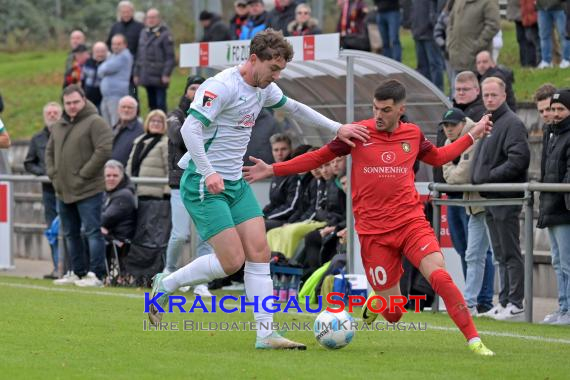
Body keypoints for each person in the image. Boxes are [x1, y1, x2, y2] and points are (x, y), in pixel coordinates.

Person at [148, 29, 369, 350]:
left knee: (260, 254)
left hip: (234, 184)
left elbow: (296, 108)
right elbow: (189, 129)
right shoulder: (221, 87)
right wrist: (209, 171)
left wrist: (339, 128)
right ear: (254, 59)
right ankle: (165, 284)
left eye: (281, 70)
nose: (276, 76)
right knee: (231, 261)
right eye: (273, 69)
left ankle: (266, 335)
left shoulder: (263, 88)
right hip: (203, 183)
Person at [244, 78, 495, 356]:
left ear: (401, 109)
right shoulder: (357, 133)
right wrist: (273, 169)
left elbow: (437, 157)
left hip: (410, 222)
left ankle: (474, 340)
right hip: (374, 234)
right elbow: (318, 157)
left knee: (440, 276)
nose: (378, 115)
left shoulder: (412, 134)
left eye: (385, 110)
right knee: (395, 314)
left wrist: (473, 135)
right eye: (375, 108)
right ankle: (378, 300)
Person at [471, 77, 530, 321]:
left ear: (504, 96)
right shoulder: (489, 122)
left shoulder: (512, 123)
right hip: (491, 197)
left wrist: (487, 177)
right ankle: (504, 300)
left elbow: (518, 160)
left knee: (509, 251)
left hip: (505, 197)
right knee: (499, 253)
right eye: (486, 95)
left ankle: (515, 302)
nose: (489, 99)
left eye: (493, 95)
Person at [47, 84, 113, 287]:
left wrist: (83, 174)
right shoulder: (59, 125)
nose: (72, 106)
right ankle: (76, 272)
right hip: (63, 190)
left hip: (88, 189)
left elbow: (104, 149)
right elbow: (49, 152)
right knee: (69, 233)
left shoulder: (96, 122)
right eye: (68, 103)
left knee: (92, 232)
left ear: (83, 100)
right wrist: (54, 175)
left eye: (75, 102)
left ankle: (97, 275)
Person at [440, 108, 495, 315]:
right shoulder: (448, 142)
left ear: (463, 123)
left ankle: (489, 302)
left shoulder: (476, 134)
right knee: (471, 254)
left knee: (493, 255)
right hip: (471, 204)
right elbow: (449, 174)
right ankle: (470, 303)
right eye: (445, 126)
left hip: (484, 202)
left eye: (452, 125)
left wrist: (452, 169)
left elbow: (461, 176)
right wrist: (453, 170)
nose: (448, 129)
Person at [164, 74, 214, 297]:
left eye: (200, 88)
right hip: (180, 182)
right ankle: (169, 271)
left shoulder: (215, 113)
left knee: (206, 235)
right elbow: (180, 138)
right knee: (180, 234)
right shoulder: (176, 115)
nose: (196, 91)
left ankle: (200, 280)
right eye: (192, 88)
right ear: (186, 91)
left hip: (205, 180)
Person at [536, 87, 570, 325]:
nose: (555, 113)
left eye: (561, 109)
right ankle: (563, 307)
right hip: (552, 206)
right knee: (557, 262)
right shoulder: (551, 133)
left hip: (564, 208)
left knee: (566, 263)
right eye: (553, 109)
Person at [24, 102, 63, 278]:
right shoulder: (37, 138)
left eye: (56, 112)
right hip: (48, 191)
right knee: (53, 230)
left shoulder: (67, 134)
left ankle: (69, 268)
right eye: (49, 113)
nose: (52, 115)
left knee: (69, 228)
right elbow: (29, 163)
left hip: (67, 189)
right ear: (44, 115)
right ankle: (57, 268)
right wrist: (45, 173)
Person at [134, 8, 176, 112]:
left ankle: (163, 126)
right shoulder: (143, 33)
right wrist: (136, 73)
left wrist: (166, 74)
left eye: (153, 17)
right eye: (148, 17)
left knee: (160, 105)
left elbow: (170, 57)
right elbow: (139, 55)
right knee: (151, 105)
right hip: (146, 75)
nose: (150, 20)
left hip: (160, 77)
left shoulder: (165, 34)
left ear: (159, 19)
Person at [446, 0, 500, 74]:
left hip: (476, 61)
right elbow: (451, 22)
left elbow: (493, 25)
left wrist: (477, 45)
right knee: (457, 84)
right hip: (456, 58)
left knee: (475, 85)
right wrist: (450, 42)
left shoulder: (489, 2)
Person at [263, 133, 301, 231]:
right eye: (276, 150)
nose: (279, 153)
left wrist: (268, 217)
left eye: (283, 149)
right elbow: (273, 203)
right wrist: (260, 215)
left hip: (289, 220)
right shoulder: (277, 173)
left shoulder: (294, 174)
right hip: (276, 218)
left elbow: (292, 207)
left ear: (291, 149)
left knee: (259, 226)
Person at [99, 34, 133, 128]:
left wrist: (102, 67)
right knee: (106, 125)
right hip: (107, 96)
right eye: (113, 44)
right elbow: (102, 69)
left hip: (116, 96)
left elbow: (103, 69)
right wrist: (102, 68)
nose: (115, 46)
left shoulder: (124, 56)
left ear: (125, 45)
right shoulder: (113, 56)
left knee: (116, 123)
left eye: (118, 44)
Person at [411, 0, 444, 90]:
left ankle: (438, 92)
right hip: (418, 33)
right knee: (422, 66)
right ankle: (427, 91)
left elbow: (439, 8)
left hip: (430, 34)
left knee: (435, 65)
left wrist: (432, 22)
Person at [536, 0, 570, 68]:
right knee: (544, 35)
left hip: (560, 7)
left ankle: (567, 59)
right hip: (542, 8)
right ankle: (546, 61)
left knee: (564, 34)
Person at [111, 96, 143, 167]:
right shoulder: (113, 128)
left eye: (130, 107)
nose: (126, 110)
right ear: (118, 109)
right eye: (123, 107)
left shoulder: (141, 131)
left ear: (136, 110)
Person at [82, 42, 109, 110]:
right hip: (88, 97)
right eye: (97, 51)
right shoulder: (88, 62)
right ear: (93, 52)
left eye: (102, 51)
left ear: (106, 52)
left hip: (102, 98)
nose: (100, 54)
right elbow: (83, 78)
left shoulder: (109, 64)